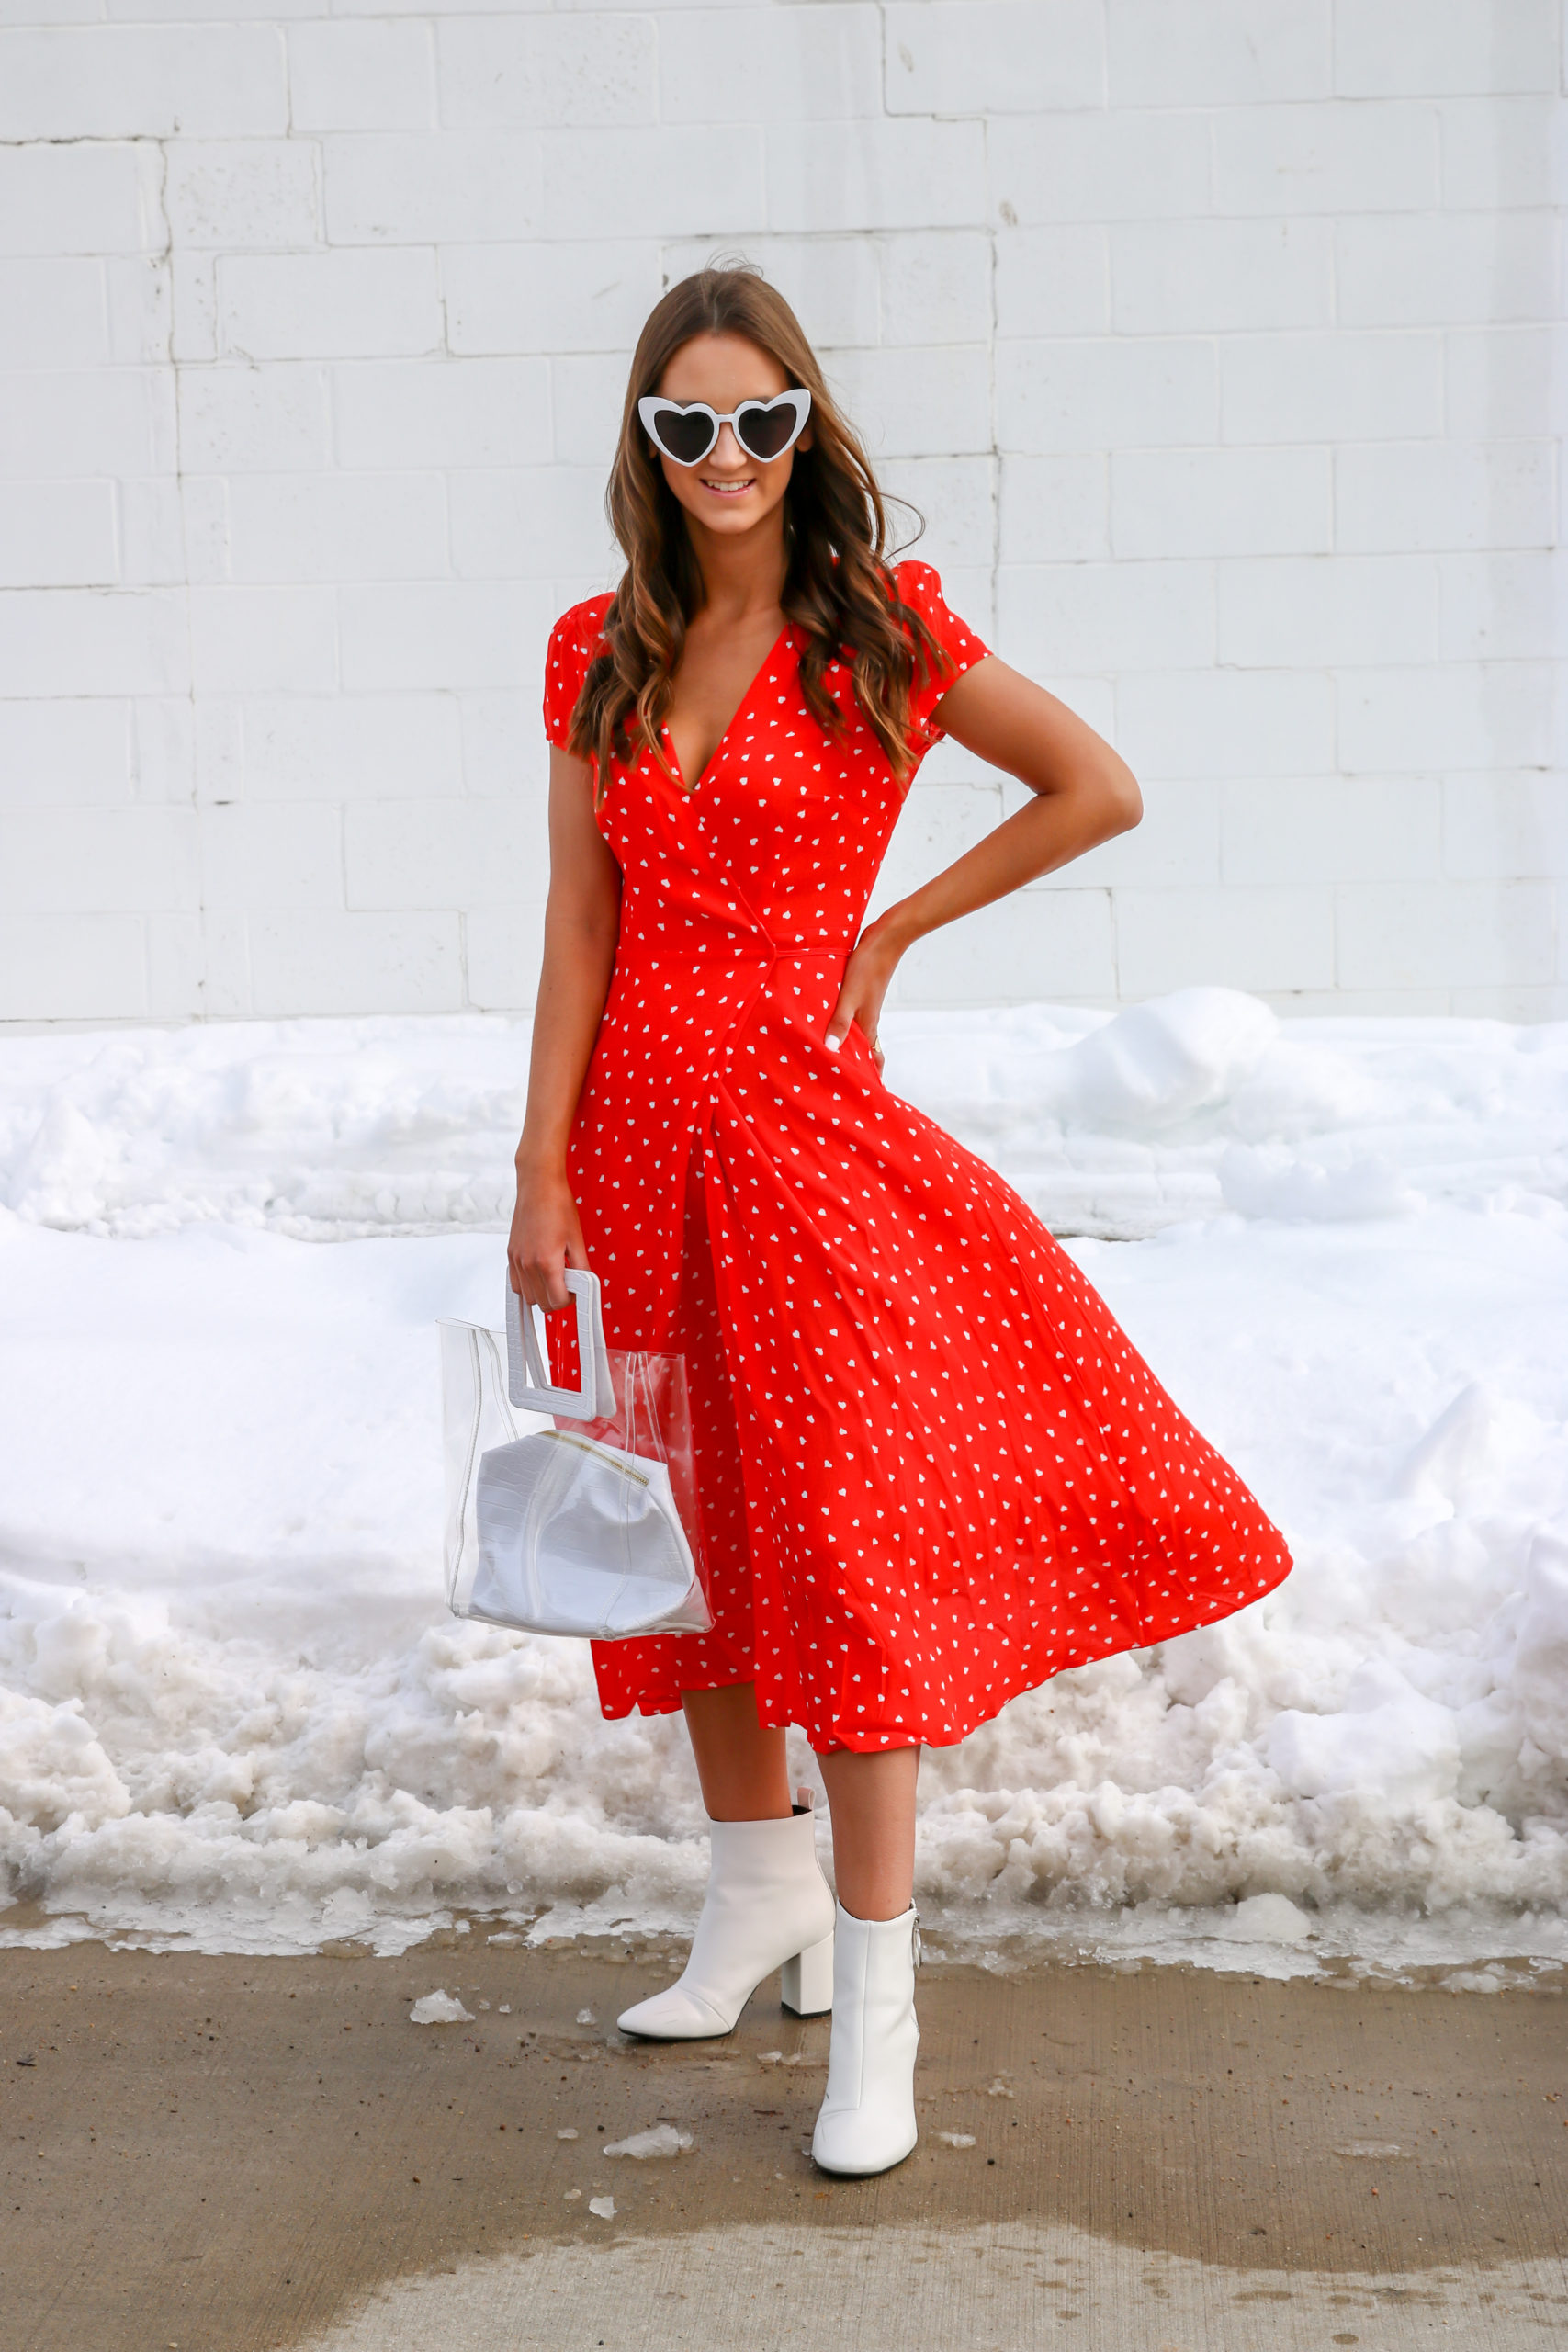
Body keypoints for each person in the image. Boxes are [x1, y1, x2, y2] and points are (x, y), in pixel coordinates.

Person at [509, 265, 1292, 2178]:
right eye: (686, 424)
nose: (724, 456)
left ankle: (879, 2007)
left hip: (800, 1138)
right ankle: (748, 1895)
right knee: (676, 1540)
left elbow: (1092, 786)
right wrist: (535, 1167)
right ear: (646, 436)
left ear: (802, 424)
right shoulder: (593, 649)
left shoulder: (877, 632)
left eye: (758, 420)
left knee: (840, 1563)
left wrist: (893, 927)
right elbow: (577, 924)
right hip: (628, 1145)